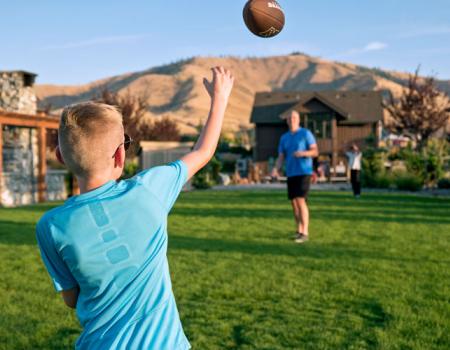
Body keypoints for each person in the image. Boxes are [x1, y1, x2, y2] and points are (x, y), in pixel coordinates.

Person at [35, 67, 234, 349]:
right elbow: (202, 152)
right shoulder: (148, 190)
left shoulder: (50, 226)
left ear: (60, 157)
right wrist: (220, 99)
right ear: (120, 154)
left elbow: (71, 299)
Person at [271, 111, 318, 243]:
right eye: (290, 118)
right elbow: (281, 157)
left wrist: (303, 153)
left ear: (299, 120)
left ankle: (305, 232)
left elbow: (315, 151)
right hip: (291, 173)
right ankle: (299, 230)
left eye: (294, 117)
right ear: (287, 121)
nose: (292, 120)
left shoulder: (305, 134)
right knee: (294, 203)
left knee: (300, 200)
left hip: (304, 172)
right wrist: (276, 169)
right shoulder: (284, 138)